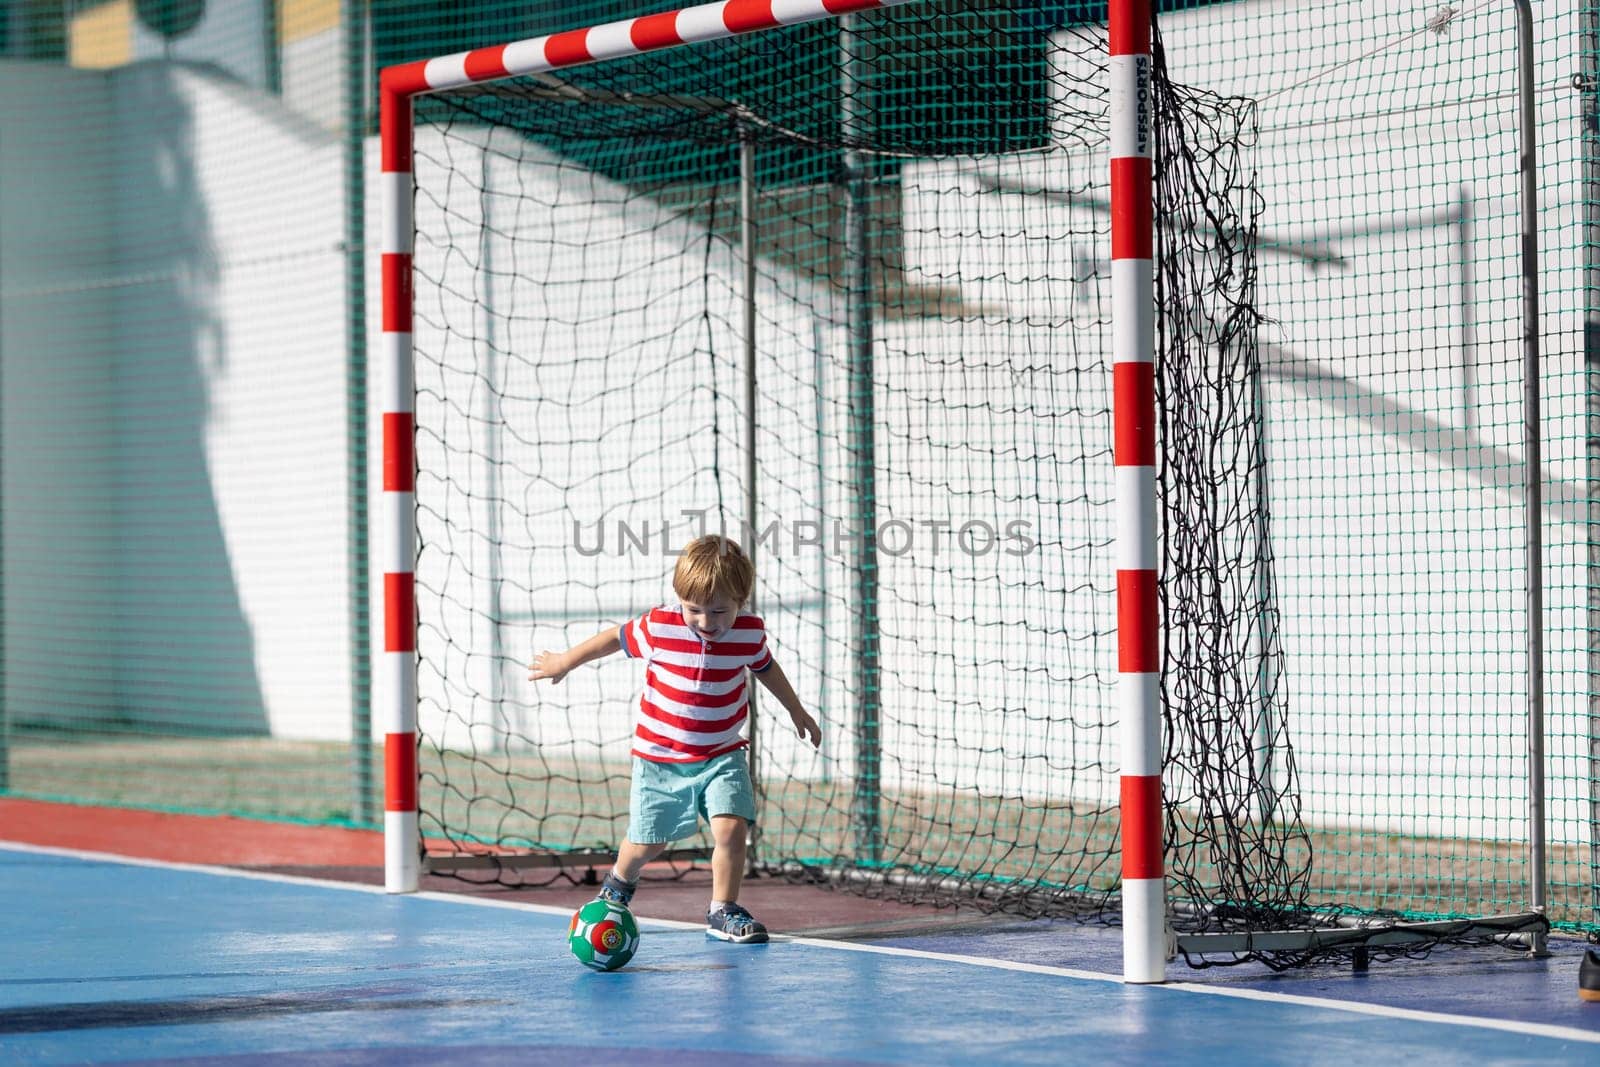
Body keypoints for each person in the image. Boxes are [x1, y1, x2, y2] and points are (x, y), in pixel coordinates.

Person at [529, 534, 822, 944]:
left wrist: (795, 708)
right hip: (660, 756)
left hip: (722, 752)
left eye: (720, 611)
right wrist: (564, 661)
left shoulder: (750, 633)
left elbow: (766, 667)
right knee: (649, 840)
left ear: (741, 601)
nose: (706, 622)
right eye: (694, 610)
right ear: (678, 600)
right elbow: (614, 637)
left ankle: (723, 909)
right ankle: (619, 883)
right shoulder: (661, 626)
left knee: (731, 829)